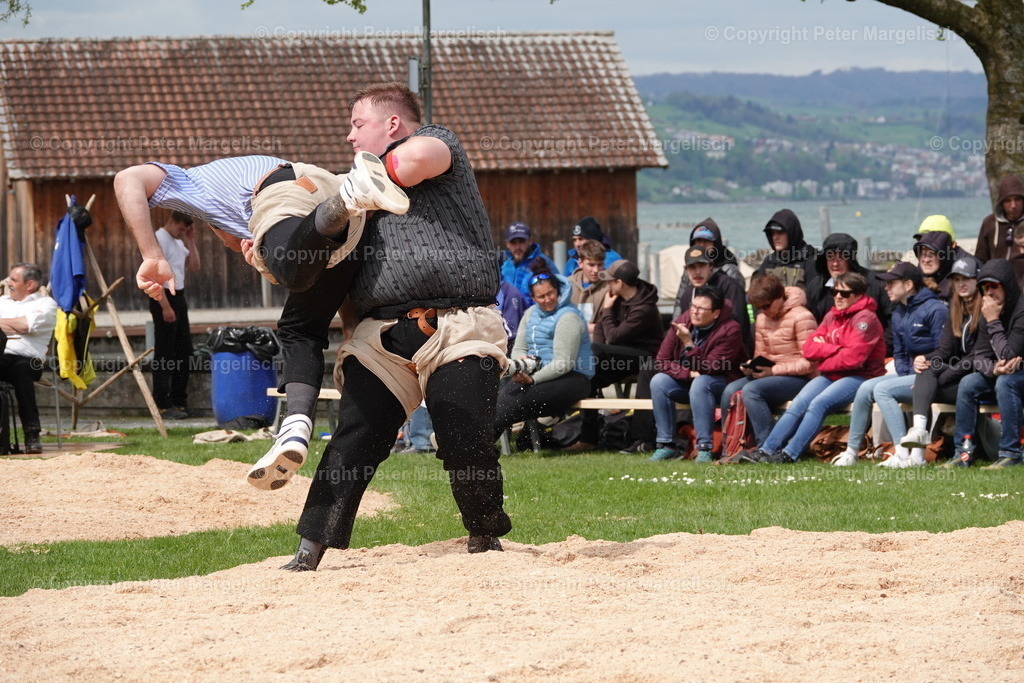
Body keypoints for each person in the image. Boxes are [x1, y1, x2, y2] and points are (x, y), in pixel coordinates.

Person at [284, 81, 514, 570]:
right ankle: (310, 549)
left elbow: (412, 162)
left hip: (460, 322)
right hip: (382, 332)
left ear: (392, 124)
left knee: (461, 431)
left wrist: (357, 188)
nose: (349, 137)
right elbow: (324, 262)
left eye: (358, 124)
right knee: (356, 436)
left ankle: (484, 536)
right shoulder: (354, 195)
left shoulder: (436, 143)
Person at [115, 140, 410, 492]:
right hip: (342, 226)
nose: (231, 245)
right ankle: (294, 427)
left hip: (298, 188)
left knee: (288, 267)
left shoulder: (196, 184)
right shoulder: (261, 228)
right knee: (299, 329)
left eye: (231, 240)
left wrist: (151, 254)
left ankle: (349, 193)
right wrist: (349, 333)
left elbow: (127, 178)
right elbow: (333, 283)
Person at [742, 271, 885, 464]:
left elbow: (853, 359)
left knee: (819, 404)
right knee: (799, 404)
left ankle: (790, 454)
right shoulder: (831, 316)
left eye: (845, 293)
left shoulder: (865, 319)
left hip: (859, 376)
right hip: (831, 374)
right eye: (835, 292)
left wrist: (824, 355)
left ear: (858, 295)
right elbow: (809, 350)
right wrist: (837, 349)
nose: (838, 297)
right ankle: (767, 450)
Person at [906, 259, 1024, 469]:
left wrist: (994, 320)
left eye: (994, 286)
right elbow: (980, 355)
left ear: (1006, 285)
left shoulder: (1018, 309)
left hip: (1018, 374)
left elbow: (1008, 353)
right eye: (985, 287)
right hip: (1000, 373)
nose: (989, 292)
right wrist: (993, 369)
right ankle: (963, 452)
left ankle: (1011, 453)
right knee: (969, 384)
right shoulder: (987, 308)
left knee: (1006, 382)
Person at [830, 263, 947, 468]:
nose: (886, 288)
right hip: (910, 374)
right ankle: (851, 451)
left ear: (909, 284)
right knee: (865, 387)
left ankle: (901, 453)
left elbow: (945, 351)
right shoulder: (899, 312)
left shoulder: (936, 310)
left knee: (883, 389)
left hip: (933, 378)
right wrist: (904, 373)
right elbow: (899, 352)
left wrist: (921, 372)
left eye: (892, 283)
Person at [567, 259, 662, 452]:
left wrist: (608, 311)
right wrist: (598, 355)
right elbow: (603, 328)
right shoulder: (617, 297)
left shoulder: (645, 308)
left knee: (594, 353)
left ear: (621, 283)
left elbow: (614, 337)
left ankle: (640, 439)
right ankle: (588, 439)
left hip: (645, 357)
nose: (607, 284)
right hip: (619, 356)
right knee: (589, 375)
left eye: (611, 280)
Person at [897, 255, 983, 465]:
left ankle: (922, 451)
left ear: (977, 281)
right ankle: (918, 440)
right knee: (926, 369)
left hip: (980, 380)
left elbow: (975, 358)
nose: (960, 284)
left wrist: (941, 377)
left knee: (927, 383)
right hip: (958, 377)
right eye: (956, 279)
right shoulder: (955, 309)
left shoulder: (985, 310)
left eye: (966, 278)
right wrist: (923, 358)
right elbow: (943, 350)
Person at [494, 268, 594, 440]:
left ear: (557, 290)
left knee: (514, 400)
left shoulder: (568, 317)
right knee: (502, 396)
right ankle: (470, 440)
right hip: (536, 373)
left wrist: (533, 379)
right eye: (541, 297)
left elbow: (563, 363)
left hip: (573, 378)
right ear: (533, 298)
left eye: (551, 293)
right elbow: (520, 348)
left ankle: (474, 443)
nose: (547, 299)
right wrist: (521, 366)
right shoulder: (530, 314)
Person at [719, 275, 818, 449]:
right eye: (758, 307)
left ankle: (767, 447)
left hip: (801, 378)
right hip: (770, 375)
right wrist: (752, 367)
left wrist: (773, 371)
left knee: (751, 391)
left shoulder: (802, 317)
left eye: (766, 306)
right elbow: (761, 354)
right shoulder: (761, 318)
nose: (763, 311)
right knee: (729, 390)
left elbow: (811, 363)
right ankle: (732, 447)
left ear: (779, 297)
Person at [648, 286, 745, 462]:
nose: (695, 312)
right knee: (658, 381)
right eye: (693, 306)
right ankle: (666, 445)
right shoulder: (684, 321)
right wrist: (688, 374)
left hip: (722, 382)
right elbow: (661, 360)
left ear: (715, 313)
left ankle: (704, 448)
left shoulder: (731, 329)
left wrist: (688, 343)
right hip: (691, 380)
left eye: (701, 309)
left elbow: (711, 367)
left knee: (702, 383)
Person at [0, 264, 58, 454]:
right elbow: (24, 326)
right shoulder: (3, 302)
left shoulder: (46, 304)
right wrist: (19, 326)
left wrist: (19, 326)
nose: (8, 283)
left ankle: (32, 435)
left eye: (13, 280)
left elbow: (28, 325)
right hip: (2, 357)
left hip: (29, 360)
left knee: (21, 369)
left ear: (30, 284)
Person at [148, 211, 201, 420]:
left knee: (184, 351)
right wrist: (165, 307)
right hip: (162, 296)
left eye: (184, 230)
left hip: (179, 295)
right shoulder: (159, 238)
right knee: (165, 352)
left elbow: (195, 266)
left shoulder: (179, 242)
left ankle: (180, 401)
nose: (181, 232)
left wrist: (190, 239)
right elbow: (153, 276)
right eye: (180, 228)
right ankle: (162, 403)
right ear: (171, 221)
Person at [672, 246, 750, 349]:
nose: (697, 272)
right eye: (692, 267)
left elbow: (738, 327)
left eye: (702, 266)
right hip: (693, 350)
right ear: (686, 270)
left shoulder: (730, 286)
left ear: (711, 266)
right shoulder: (687, 294)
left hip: (728, 351)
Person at [753, 208, 817, 288]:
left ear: (792, 232)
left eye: (780, 232)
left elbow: (818, 293)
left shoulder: (811, 259)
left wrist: (804, 295)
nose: (775, 237)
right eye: (772, 233)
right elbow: (756, 294)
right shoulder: (770, 262)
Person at [975, 174, 1024, 277]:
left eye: (1017, 199)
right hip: (996, 285)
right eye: (1008, 201)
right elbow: (980, 259)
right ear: (1001, 203)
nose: (1013, 205)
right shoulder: (989, 223)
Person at [500, 222, 555, 305]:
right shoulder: (501, 262)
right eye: (513, 242)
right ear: (507, 244)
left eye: (521, 241)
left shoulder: (542, 261)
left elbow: (556, 290)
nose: (517, 247)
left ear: (530, 241)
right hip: (505, 313)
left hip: (532, 314)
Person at [568, 239, 610, 327]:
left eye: (600, 265)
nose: (596, 270)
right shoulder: (567, 285)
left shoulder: (610, 286)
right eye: (591, 265)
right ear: (580, 263)